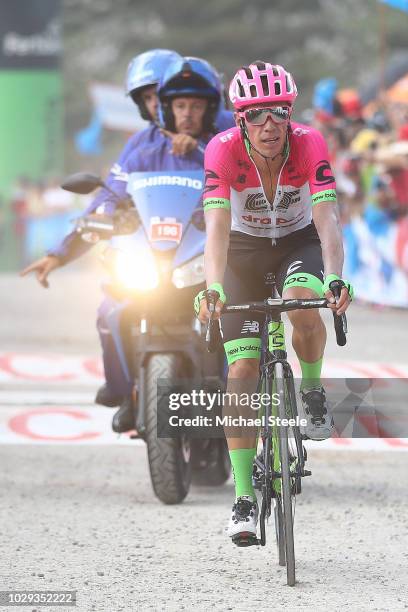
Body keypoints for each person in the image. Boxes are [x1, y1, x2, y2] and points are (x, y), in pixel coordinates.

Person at [194, 61, 353, 542]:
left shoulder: (310, 144)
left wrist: (335, 278)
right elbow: (217, 230)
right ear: (240, 119)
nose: (269, 124)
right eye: (257, 113)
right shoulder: (220, 152)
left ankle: (311, 391)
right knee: (241, 372)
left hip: (296, 241)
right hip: (242, 251)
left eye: (279, 113)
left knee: (303, 298)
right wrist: (214, 286)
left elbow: (327, 219)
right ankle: (244, 497)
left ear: (290, 114)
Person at [106, 55, 234, 432]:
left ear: (211, 105)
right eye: (180, 105)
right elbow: (114, 193)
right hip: (162, 256)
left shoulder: (229, 139)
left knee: (241, 316)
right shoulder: (143, 149)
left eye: (196, 105)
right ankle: (130, 394)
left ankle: (241, 401)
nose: (188, 113)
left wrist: (200, 147)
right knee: (113, 310)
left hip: (211, 252)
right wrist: (100, 219)